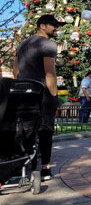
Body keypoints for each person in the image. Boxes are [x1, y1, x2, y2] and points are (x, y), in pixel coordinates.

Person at [13, 14, 65, 181]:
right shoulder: (48, 45)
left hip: (22, 91)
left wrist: (20, 85)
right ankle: (45, 168)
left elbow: (15, 71)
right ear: (43, 26)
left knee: (26, 127)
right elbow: (50, 72)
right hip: (41, 91)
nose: (57, 28)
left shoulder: (22, 45)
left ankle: (27, 162)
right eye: (53, 25)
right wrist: (54, 95)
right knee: (45, 128)